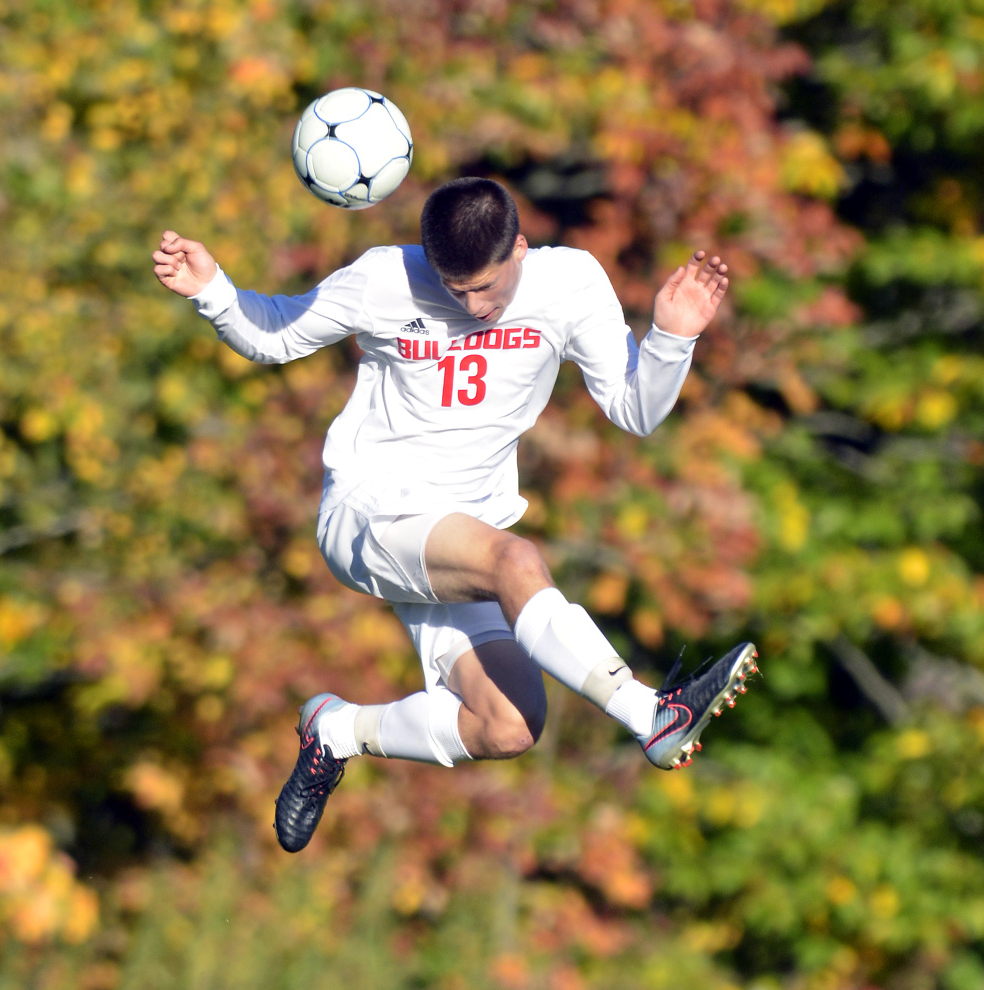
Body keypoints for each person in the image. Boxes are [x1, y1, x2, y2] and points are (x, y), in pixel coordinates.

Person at [152, 177, 758, 854]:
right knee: (517, 561)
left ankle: (337, 731)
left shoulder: (572, 284)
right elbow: (275, 337)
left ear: (522, 249)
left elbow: (635, 411)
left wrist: (671, 338)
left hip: (461, 540)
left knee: (509, 726)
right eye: (454, 288)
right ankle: (651, 713)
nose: (471, 305)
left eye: (486, 288)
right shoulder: (387, 278)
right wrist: (211, 290)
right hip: (370, 515)